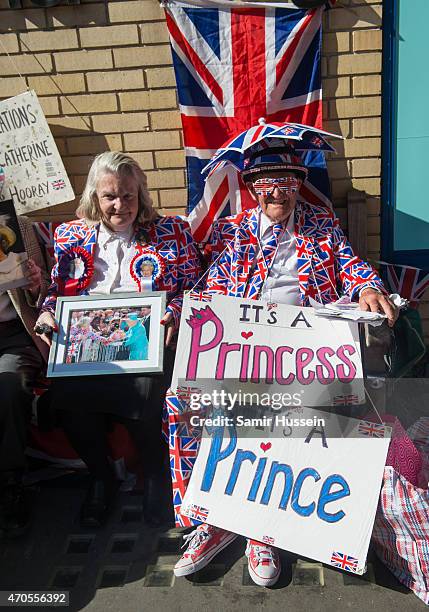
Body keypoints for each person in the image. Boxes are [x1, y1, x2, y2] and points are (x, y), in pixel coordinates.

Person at [173, 146, 398, 586]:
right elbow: (213, 283)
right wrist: (184, 312)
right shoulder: (235, 231)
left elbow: (351, 266)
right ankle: (215, 516)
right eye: (268, 184)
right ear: (254, 189)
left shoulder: (320, 226)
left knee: (285, 403)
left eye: (288, 183)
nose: (279, 193)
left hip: (309, 348)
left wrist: (368, 287)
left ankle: (263, 528)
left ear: (298, 186)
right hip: (249, 345)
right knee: (186, 398)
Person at [35, 151, 202, 528]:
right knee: (67, 400)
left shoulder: (171, 232)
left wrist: (174, 311)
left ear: (141, 195)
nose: (120, 205)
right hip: (85, 345)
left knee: (145, 391)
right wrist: (47, 312)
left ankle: (158, 477)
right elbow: (58, 292)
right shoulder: (70, 234)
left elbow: (194, 285)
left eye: (129, 195)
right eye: (110, 196)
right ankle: (101, 477)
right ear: (94, 196)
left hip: (147, 342)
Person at [0, 215, 49, 536]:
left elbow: (47, 292)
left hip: (16, 334)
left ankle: (9, 483)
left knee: (7, 385)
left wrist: (36, 284)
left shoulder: (20, 227)